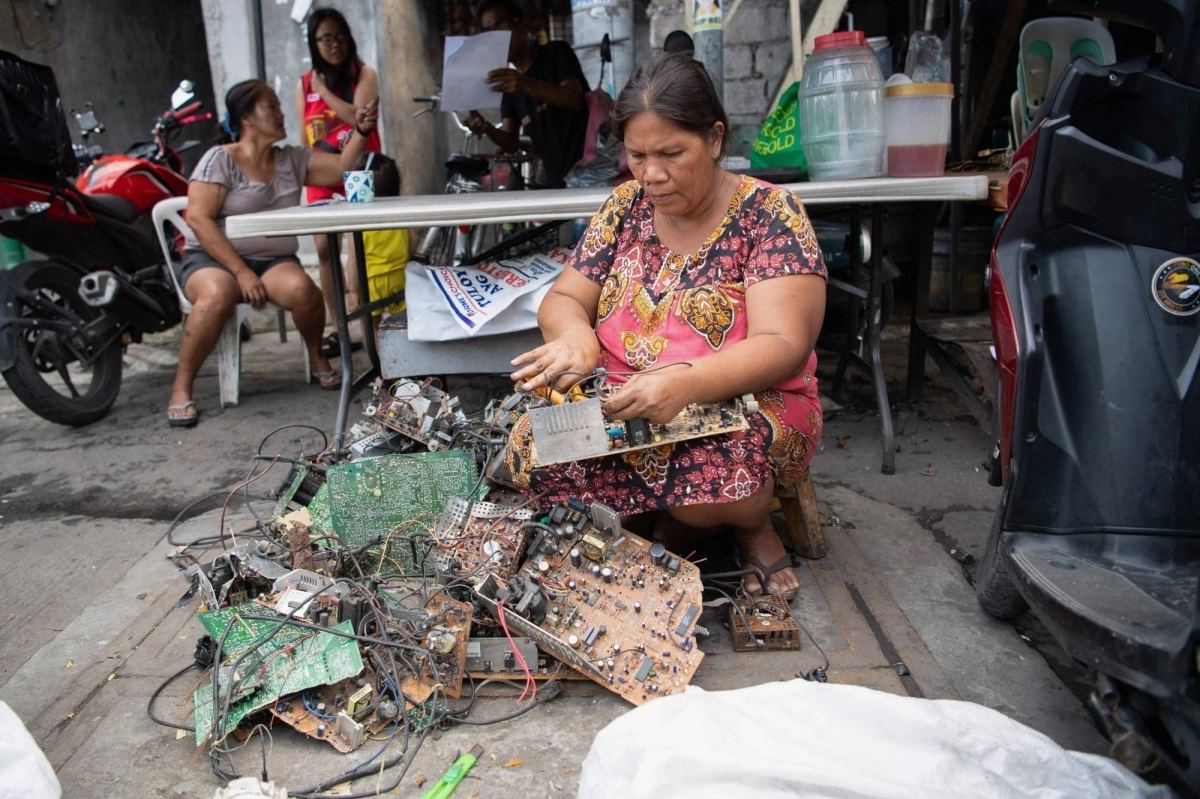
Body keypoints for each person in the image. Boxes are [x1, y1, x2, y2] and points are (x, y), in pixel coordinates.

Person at [506, 53, 827, 598]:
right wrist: (577, 337)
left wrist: (684, 383)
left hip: (742, 402)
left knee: (711, 487)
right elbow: (564, 297)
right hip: (624, 401)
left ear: (715, 139)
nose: (651, 174)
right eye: (637, 155)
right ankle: (650, 524)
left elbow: (783, 345)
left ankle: (748, 527)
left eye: (672, 154)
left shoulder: (770, 214)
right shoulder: (622, 209)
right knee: (528, 451)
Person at [166, 79, 380, 427]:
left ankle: (315, 356)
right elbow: (199, 220)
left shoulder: (291, 159)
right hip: (213, 260)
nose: (281, 114)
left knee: (304, 292)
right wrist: (240, 272)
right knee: (216, 295)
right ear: (246, 118)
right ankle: (181, 386)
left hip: (272, 262)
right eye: (271, 107)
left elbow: (343, 166)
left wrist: (360, 130)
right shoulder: (220, 160)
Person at [295, 7, 381, 349]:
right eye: (326, 38)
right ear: (314, 43)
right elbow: (304, 137)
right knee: (323, 248)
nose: (335, 44)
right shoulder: (304, 84)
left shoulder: (364, 74)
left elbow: (360, 117)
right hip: (321, 172)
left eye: (340, 36)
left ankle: (365, 323)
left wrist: (325, 92)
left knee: (359, 246)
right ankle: (338, 327)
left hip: (359, 170)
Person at [463, 0, 589, 189]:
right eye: (489, 33)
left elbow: (574, 98)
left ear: (522, 24)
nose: (496, 38)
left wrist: (525, 84)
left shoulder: (555, 53)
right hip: (559, 180)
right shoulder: (509, 88)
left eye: (501, 25)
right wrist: (486, 128)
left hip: (593, 168)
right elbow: (511, 143)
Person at [346, 151, 408, 342]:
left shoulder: (356, 219)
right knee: (404, 323)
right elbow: (413, 239)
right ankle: (405, 361)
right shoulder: (401, 212)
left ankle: (380, 364)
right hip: (399, 276)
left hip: (370, 280)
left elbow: (354, 258)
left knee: (370, 324)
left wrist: (353, 291)